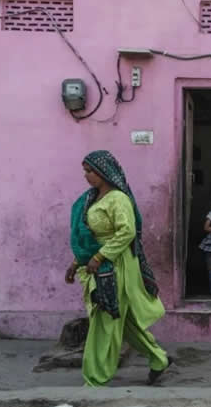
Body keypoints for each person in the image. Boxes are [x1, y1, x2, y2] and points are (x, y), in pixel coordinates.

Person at [65, 150, 172, 386]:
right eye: (85, 171)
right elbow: (88, 236)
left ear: (104, 172)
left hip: (116, 265)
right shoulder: (92, 200)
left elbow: (127, 232)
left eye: (90, 171)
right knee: (122, 320)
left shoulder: (118, 199)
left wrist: (100, 256)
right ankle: (158, 359)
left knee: (106, 317)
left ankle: (95, 379)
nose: (86, 176)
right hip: (98, 263)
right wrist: (76, 262)